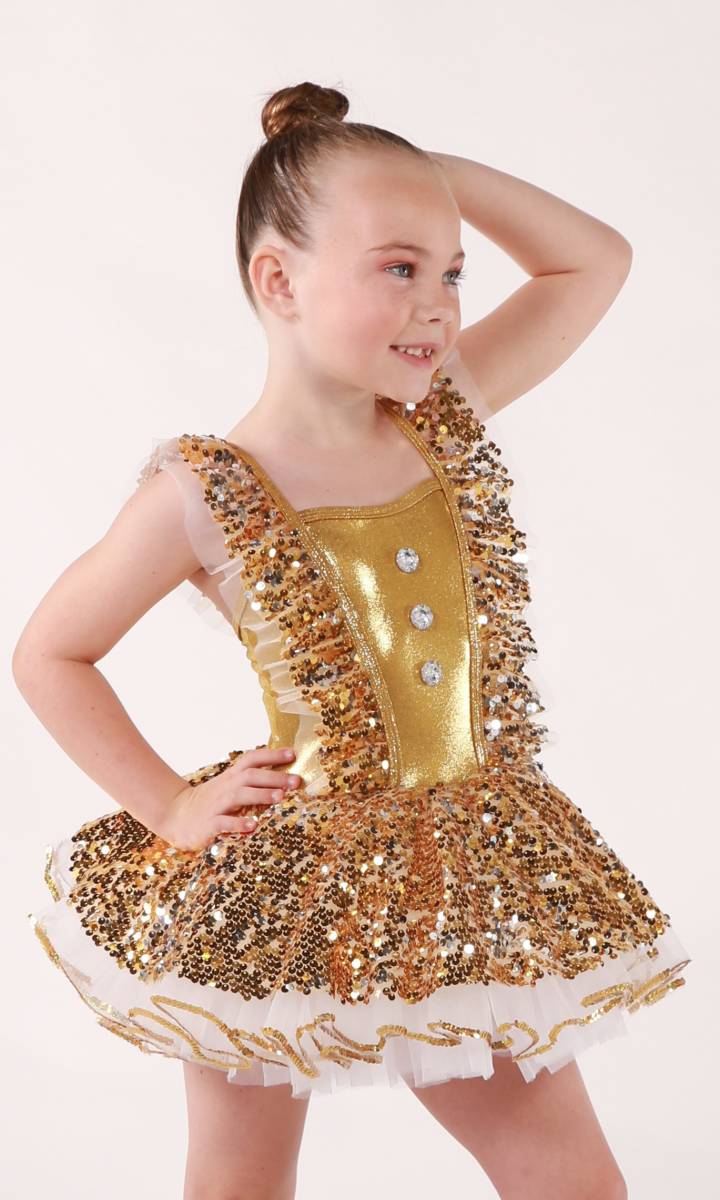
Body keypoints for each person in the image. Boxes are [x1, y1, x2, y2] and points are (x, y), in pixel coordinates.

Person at [15, 80, 691, 1200]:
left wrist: (428, 179)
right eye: (399, 268)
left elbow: (594, 262)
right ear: (278, 282)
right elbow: (50, 652)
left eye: (453, 273)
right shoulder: (203, 491)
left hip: (463, 874)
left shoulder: (442, 413)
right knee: (239, 1178)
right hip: (276, 881)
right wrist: (171, 806)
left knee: (568, 1177)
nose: (439, 308)